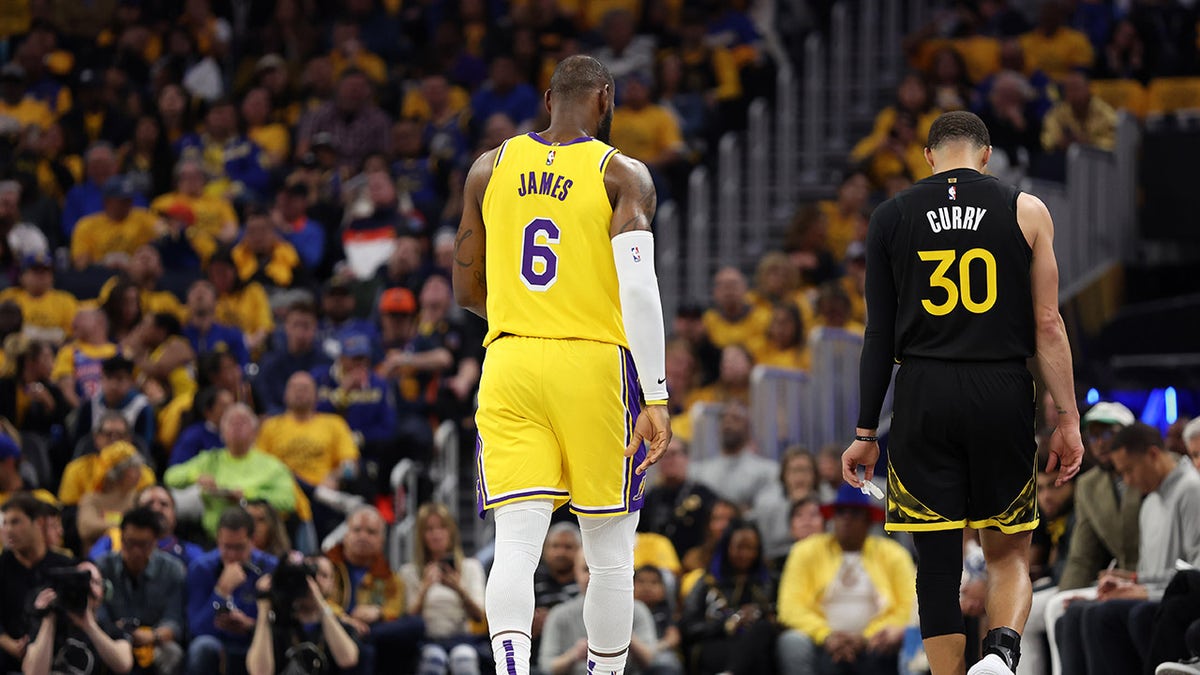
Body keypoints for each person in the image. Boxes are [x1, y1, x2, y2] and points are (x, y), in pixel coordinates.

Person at [842, 110, 1085, 675]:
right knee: (1006, 552)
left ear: (929, 157)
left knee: (936, 561)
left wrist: (863, 430)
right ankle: (1000, 658)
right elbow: (1048, 324)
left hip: (924, 389)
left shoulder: (891, 216)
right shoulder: (1026, 210)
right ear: (986, 155)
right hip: (1001, 386)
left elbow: (877, 334)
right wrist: (1068, 418)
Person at [452, 55, 671, 675]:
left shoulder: (488, 168)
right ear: (604, 98)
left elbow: (467, 290)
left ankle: (512, 669)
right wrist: (655, 395)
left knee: (515, 545)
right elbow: (639, 290)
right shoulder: (621, 173)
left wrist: (529, 314)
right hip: (593, 362)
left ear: (549, 98)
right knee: (608, 553)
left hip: (510, 359)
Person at [775, 485, 915, 675]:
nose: (846, 519)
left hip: (876, 643)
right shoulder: (805, 551)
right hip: (821, 641)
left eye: (855, 514)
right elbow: (790, 608)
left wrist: (867, 637)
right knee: (792, 642)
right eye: (841, 513)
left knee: (895, 643)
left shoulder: (893, 554)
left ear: (868, 521)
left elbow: (908, 607)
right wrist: (826, 636)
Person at [325, 506, 424, 674]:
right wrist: (344, 619)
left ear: (381, 541)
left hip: (373, 632)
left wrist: (378, 613)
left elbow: (396, 609)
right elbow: (318, 601)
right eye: (357, 530)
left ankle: (365, 636)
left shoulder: (390, 577)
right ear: (346, 535)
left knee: (417, 624)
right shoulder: (327, 566)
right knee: (361, 643)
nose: (363, 536)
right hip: (336, 628)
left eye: (371, 532)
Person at [95, 506, 187, 675]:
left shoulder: (172, 570)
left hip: (154, 640)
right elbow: (98, 616)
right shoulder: (102, 567)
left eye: (143, 545)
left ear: (155, 542)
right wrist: (117, 631)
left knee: (171, 653)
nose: (136, 551)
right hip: (112, 638)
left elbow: (174, 621)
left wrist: (153, 636)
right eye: (131, 543)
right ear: (121, 539)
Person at [185, 507, 277, 675]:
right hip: (218, 645)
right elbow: (196, 629)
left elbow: (281, 628)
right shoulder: (201, 569)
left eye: (239, 547)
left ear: (252, 540)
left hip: (255, 644)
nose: (233, 555)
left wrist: (250, 626)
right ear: (217, 539)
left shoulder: (271, 568)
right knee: (202, 647)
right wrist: (221, 592)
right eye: (227, 547)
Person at [680, 520, 777, 675]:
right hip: (715, 643)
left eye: (751, 548)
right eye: (739, 547)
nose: (745, 554)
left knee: (762, 634)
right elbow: (688, 626)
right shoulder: (707, 582)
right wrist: (729, 624)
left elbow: (778, 616)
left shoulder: (768, 582)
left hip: (757, 644)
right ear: (727, 547)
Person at [246, 552, 360, 675]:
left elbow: (348, 659)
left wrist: (320, 603)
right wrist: (264, 609)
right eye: (309, 575)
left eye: (324, 575)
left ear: (333, 584)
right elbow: (259, 672)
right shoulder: (274, 627)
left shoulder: (343, 626)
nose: (315, 581)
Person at [0, 494, 75, 673]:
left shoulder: (65, 566)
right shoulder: (2, 566)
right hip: (7, 658)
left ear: (39, 523)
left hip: (56, 657)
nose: (9, 530)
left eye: (16, 522)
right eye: (5, 523)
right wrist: (8, 643)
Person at [24, 560, 135, 675]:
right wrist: (49, 618)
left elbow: (124, 664)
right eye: (82, 581)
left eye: (95, 582)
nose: (88, 588)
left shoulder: (111, 630)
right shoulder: (46, 624)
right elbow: (33, 672)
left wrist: (89, 625)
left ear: (103, 592)